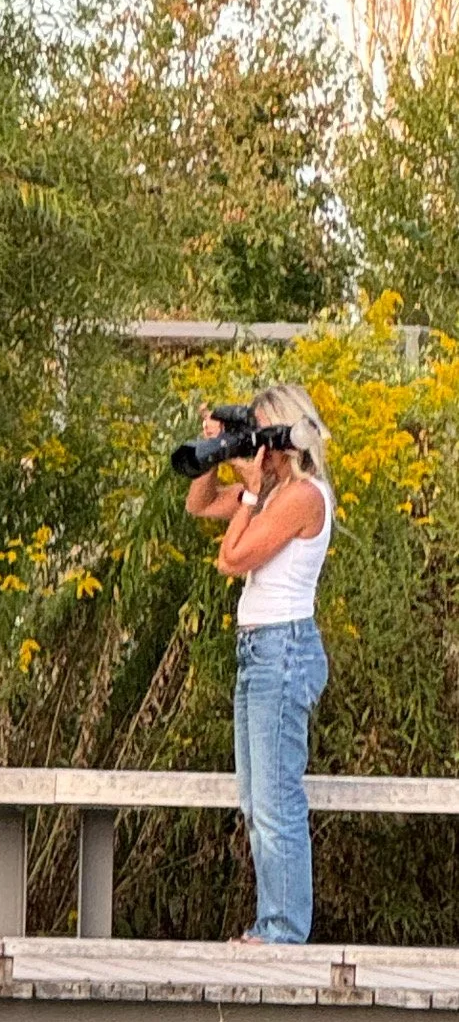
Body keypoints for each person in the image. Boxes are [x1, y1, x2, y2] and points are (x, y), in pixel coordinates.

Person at [186, 384, 333, 944]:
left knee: (275, 803)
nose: (258, 449)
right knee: (254, 801)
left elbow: (232, 558)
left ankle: (282, 931)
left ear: (288, 437)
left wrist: (248, 494)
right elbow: (198, 504)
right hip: (259, 650)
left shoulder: (302, 497)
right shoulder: (269, 491)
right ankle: (274, 924)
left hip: (283, 650)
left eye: (262, 435)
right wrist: (214, 451)